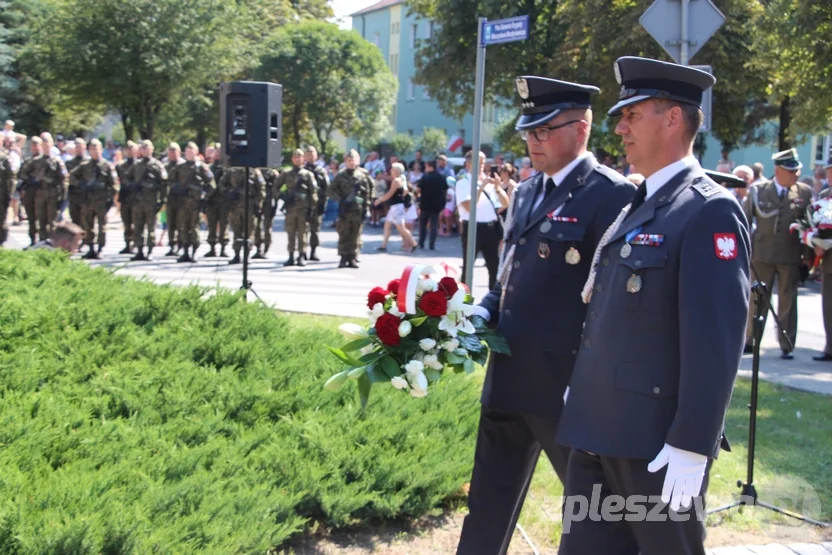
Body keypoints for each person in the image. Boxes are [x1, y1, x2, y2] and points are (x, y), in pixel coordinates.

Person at [556, 56, 750, 555]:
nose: (619, 127)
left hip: (656, 446)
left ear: (672, 119)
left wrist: (692, 442)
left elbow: (717, 341)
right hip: (597, 428)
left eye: (632, 114)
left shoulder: (709, 209)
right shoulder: (639, 203)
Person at [456, 77, 635, 555]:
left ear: (581, 129)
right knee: (486, 506)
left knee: (593, 516)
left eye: (545, 130)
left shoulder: (610, 195)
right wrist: (479, 312)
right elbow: (509, 277)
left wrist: (592, 381)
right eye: (528, 132)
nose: (533, 141)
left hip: (564, 386)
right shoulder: (530, 190)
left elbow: (610, 302)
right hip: (509, 375)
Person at [741, 148, 813, 359]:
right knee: (758, 300)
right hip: (762, 254)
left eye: (797, 170)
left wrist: (808, 256)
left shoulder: (804, 193)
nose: (796, 174)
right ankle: (751, 340)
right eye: (791, 171)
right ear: (778, 170)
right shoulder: (758, 190)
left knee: (788, 302)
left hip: (790, 255)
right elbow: (744, 222)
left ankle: (787, 343)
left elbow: (809, 225)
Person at [455, 150, 509, 289]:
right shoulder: (463, 182)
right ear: (468, 164)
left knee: (494, 267)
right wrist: (481, 187)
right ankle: (463, 302)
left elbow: (505, 203)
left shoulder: (487, 180)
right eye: (478, 162)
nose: (482, 165)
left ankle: (493, 302)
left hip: (490, 228)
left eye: (483, 162)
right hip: (472, 228)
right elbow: (468, 207)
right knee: (468, 268)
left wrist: (497, 187)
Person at [168, 142, 215, 263]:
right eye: (187, 151)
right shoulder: (180, 167)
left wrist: (203, 197)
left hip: (195, 203)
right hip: (182, 203)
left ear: (196, 152)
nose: (189, 153)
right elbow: (170, 181)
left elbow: (211, 185)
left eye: (191, 151)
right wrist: (178, 189)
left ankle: (194, 251)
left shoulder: (202, 167)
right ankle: (185, 251)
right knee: (182, 227)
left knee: (194, 227)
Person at [329, 150, 374, 268]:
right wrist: (340, 200)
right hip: (345, 209)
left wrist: (367, 207)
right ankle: (343, 257)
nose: (351, 162)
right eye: (349, 160)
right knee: (344, 233)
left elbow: (369, 191)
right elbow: (331, 190)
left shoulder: (363, 174)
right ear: (345, 161)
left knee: (356, 234)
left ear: (358, 161)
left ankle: (353, 257)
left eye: (353, 160)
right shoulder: (340, 175)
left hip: (358, 209)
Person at [76, 139, 117, 259]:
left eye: (97, 148)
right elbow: (71, 177)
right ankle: (90, 247)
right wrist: (81, 184)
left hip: (101, 201)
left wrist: (110, 199)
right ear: (89, 150)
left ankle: (100, 248)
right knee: (88, 225)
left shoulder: (107, 166)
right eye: (92, 149)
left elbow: (114, 184)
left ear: (101, 150)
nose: (94, 151)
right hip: (88, 200)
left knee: (102, 226)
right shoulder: (84, 166)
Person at [275, 149, 317, 267]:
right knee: (291, 233)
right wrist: (282, 196)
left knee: (303, 234)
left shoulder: (308, 174)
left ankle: (302, 256)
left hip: (303, 209)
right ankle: (291, 256)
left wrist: (312, 208)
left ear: (303, 159)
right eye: (295, 157)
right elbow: (275, 187)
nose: (298, 159)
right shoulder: (286, 174)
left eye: (300, 157)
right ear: (292, 159)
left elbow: (313, 192)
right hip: (290, 208)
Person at [128, 140, 168, 261]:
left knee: (151, 227)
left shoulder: (157, 165)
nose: (145, 150)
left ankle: (150, 250)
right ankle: (139, 249)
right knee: (138, 226)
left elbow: (164, 183)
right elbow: (126, 177)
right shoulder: (136, 165)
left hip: (151, 201)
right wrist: (132, 186)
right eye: (143, 148)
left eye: (147, 147)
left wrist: (162, 199)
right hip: (138, 200)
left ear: (152, 149)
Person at [304, 145, 330, 261]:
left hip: (316, 204)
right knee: (302, 229)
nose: (310, 156)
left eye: (312, 154)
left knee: (315, 230)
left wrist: (323, 204)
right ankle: (302, 251)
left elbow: (327, 189)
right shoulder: (302, 170)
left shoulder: (321, 171)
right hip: (303, 205)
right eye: (308, 154)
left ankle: (313, 252)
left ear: (316, 156)